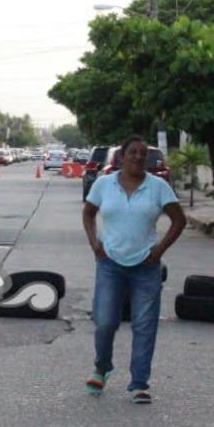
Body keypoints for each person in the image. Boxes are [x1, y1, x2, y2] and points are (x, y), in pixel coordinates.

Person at [82, 136, 186, 404]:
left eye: (143, 154)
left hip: (145, 267)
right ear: (121, 157)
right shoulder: (104, 184)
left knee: (144, 325)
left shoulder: (158, 187)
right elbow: (88, 212)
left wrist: (159, 251)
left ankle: (139, 383)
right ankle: (101, 368)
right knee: (105, 321)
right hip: (110, 264)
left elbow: (179, 220)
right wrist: (95, 243)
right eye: (132, 152)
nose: (138, 157)